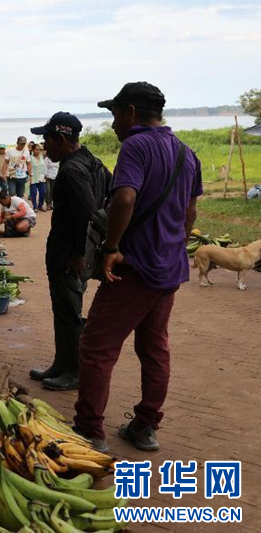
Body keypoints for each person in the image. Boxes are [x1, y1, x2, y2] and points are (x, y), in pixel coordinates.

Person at [74, 82, 203, 452]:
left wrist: (112, 246)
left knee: (97, 346)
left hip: (133, 268)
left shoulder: (136, 144)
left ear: (130, 112)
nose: (113, 124)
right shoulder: (186, 153)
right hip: (169, 269)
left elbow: (125, 197)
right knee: (155, 348)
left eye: (114, 114)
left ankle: (89, 431)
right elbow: (190, 212)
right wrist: (172, 245)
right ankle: (145, 426)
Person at [29, 112, 108, 392]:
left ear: (61, 139)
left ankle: (74, 371)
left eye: (46, 139)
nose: (43, 146)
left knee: (70, 314)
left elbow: (87, 214)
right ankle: (61, 363)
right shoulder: (92, 161)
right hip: (75, 253)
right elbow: (109, 196)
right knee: (63, 312)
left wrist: (78, 253)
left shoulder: (72, 170)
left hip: (69, 256)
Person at [29, 144, 47, 211]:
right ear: (33, 150)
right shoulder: (30, 158)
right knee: (33, 193)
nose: (38, 151)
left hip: (41, 178)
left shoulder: (41, 157)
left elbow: (44, 166)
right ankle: (35, 206)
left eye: (39, 150)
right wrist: (29, 176)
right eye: (36, 149)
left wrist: (45, 175)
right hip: (33, 177)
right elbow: (28, 168)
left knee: (43, 192)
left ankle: (40, 205)